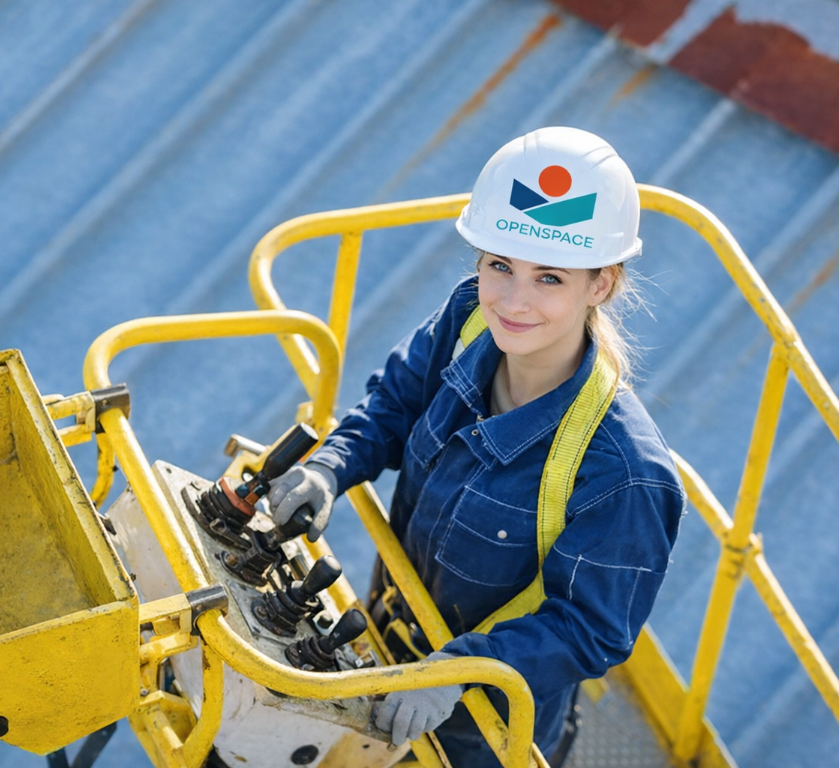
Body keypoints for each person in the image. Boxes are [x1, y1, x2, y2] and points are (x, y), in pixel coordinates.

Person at [268, 126, 684, 767]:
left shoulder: (623, 472)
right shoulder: (467, 320)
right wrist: (330, 465)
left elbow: (592, 628)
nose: (513, 301)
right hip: (383, 633)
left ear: (599, 285)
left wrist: (463, 670)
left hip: (482, 731)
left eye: (549, 278)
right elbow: (393, 406)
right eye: (499, 266)